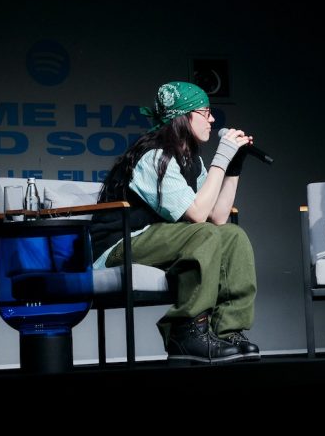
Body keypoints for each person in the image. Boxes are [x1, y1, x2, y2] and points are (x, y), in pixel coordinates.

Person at [89, 81, 259, 365]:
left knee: (233, 235)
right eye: (206, 112)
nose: (212, 119)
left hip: (158, 239)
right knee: (203, 234)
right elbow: (198, 216)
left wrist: (233, 166)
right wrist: (221, 157)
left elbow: (217, 217)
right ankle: (186, 330)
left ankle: (227, 331)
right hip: (119, 246)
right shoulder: (154, 156)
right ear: (183, 116)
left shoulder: (191, 160)